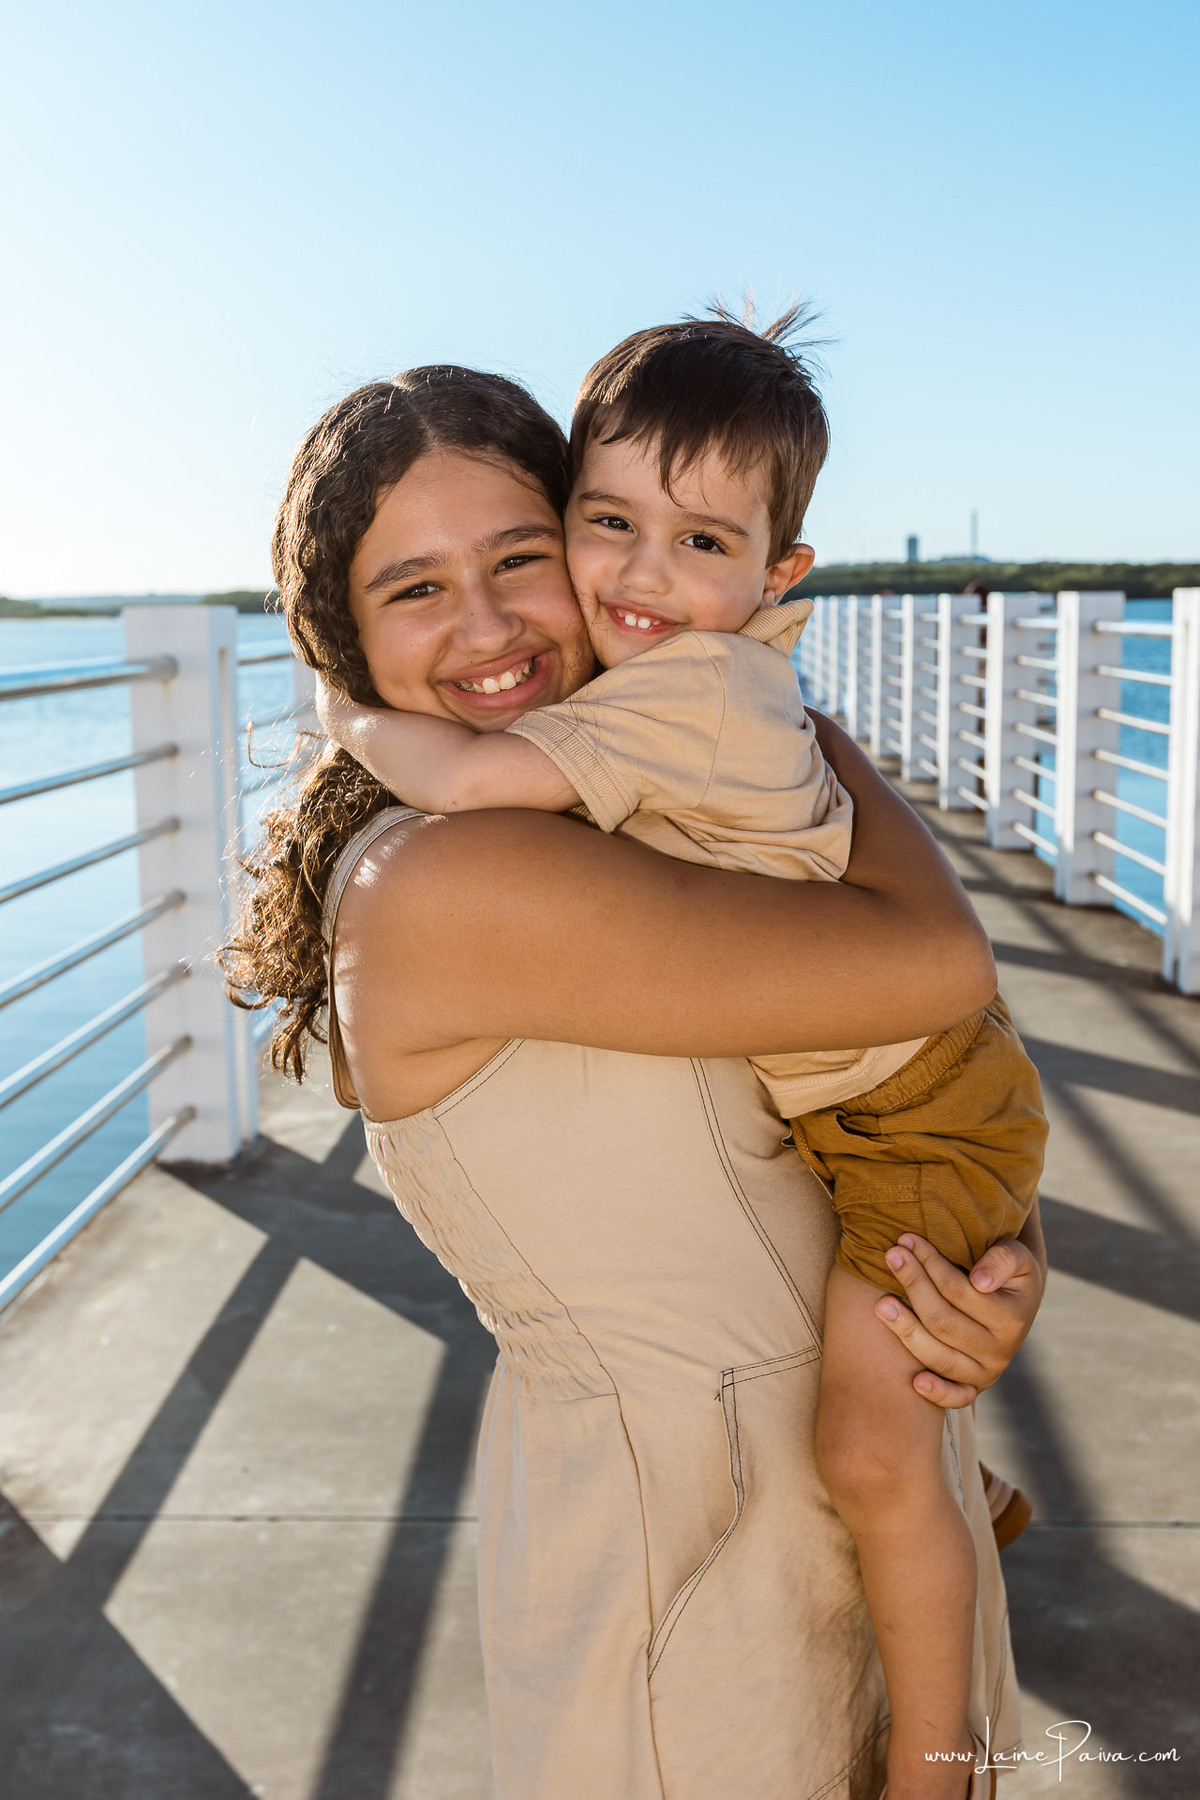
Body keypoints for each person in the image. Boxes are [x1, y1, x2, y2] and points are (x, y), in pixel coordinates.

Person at [224, 363, 1043, 1800]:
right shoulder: (448, 883)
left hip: (826, 1492)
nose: (487, 627)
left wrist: (994, 1269)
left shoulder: (644, 811)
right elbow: (932, 968)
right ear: (339, 639)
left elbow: (864, 1095)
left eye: (519, 559)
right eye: (414, 589)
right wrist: (811, 732)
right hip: (693, 1572)